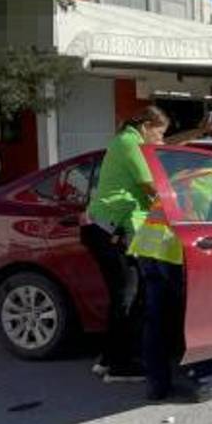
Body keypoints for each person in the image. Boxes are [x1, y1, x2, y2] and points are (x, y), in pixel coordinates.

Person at [128, 164, 212, 402]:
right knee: (200, 315)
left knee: (155, 319)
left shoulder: (184, 175)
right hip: (175, 251)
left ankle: (156, 385)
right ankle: (208, 380)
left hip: (148, 247)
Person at [82, 105, 168, 381]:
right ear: (146, 127)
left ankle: (108, 359)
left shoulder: (127, 140)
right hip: (112, 230)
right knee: (128, 298)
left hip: (107, 228)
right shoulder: (130, 143)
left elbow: (167, 148)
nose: (161, 140)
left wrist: (198, 132)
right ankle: (121, 366)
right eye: (160, 133)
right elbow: (149, 187)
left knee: (124, 296)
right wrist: (178, 202)